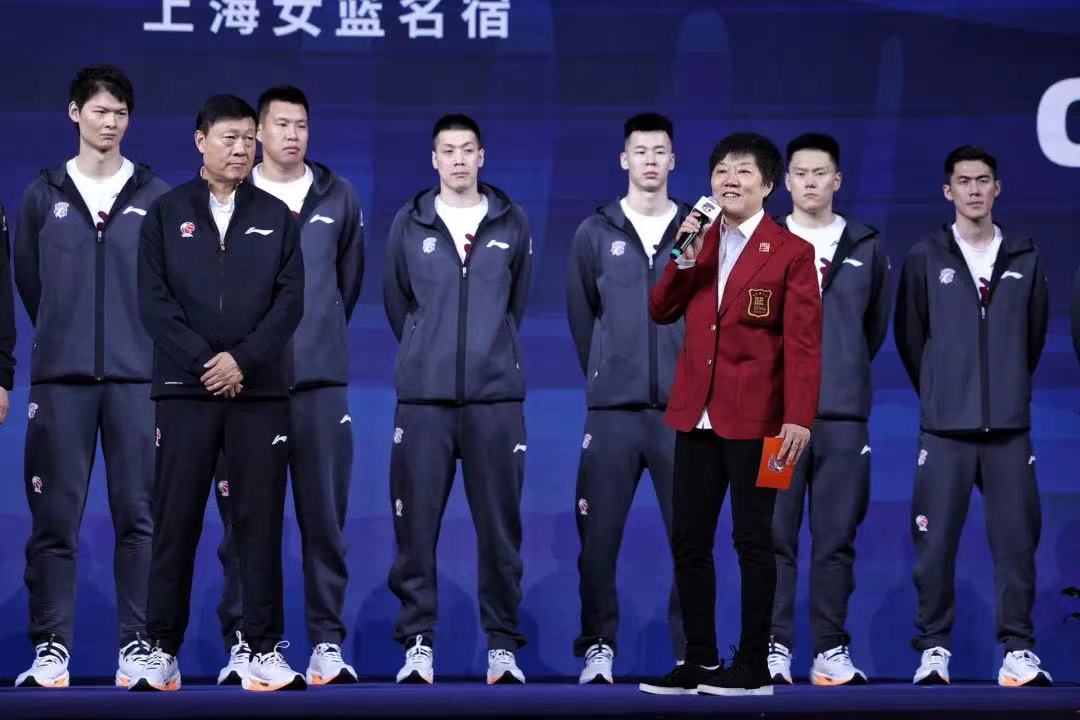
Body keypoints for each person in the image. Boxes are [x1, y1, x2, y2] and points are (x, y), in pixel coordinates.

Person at [639, 132, 821, 697]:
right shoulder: (699, 238)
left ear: (768, 185)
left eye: (742, 171)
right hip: (696, 417)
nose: (729, 180)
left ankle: (755, 666)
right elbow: (660, 308)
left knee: (755, 540)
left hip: (764, 424)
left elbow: (804, 345)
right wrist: (684, 253)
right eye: (720, 170)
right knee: (689, 539)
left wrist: (799, 418)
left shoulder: (791, 252)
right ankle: (699, 660)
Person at [133, 94, 305, 692]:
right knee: (175, 523)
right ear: (200, 140)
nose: (240, 148)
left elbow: (290, 303)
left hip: (260, 394)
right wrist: (208, 363)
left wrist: (242, 361)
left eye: (248, 139)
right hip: (186, 391)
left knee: (260, 526)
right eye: (229, 138)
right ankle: (161, 649)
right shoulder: (166, 212)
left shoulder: (277, 215)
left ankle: (263, 649)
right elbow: (154, 303)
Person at [12, 65, 169, 688]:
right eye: (100, 111)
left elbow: (168, 290)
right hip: (61, 383)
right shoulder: (41, 195)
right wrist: (65, 335)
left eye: (121, 113)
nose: (111, 123)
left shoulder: (157, 197)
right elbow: (32, 283)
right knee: (54, 524)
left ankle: (137, 648)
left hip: (138, 383)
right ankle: (51, 649)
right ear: (74, 113)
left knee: (140, 520)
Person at [213, 85, 364, 687]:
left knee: (324, 522)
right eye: (280, 125)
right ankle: (246, 645)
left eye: (301, 124)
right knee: (245, 526)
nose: (292, 135)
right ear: (259, 132)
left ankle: (326, 642)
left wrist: (318, 338)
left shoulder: (338, 196)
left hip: (321, 387)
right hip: (250, 389)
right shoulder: (232, 196)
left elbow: (346, 285)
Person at [895, 145, 1052, 687]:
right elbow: (911, 339)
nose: (974, 190)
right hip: (945, 431)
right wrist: (944, 391)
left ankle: (1018, 651)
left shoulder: (1025, 256)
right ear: (948, 191)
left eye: (983, 180)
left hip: (1009, 431)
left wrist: (1004, 388)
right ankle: (934, 650)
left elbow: (1031, 339)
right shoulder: (924, 256)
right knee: (934, 548)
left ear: (997, 188)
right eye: (964, 181)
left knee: (1017, 547)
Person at [383, 113, 532, 685]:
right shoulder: (409, 221)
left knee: (500, 532)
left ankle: (502, 647)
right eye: (448, 150)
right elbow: (399, 303)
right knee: (415, 531)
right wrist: (427, 351)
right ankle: (418, 644)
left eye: (468, 149)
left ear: (482, 156)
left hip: (496, 401)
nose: (459, 160)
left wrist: (490, 351)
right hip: (424, 401)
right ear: (434, 159)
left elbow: (514, 304)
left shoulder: (511, 221)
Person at [566, 112, 690, 684]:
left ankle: (692, 650)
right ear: (624, 160)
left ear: (673, 160)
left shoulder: (699, 230)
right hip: (612, 413)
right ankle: (598, 646)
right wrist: (607, 371)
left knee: (690, 540)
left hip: (681, 412)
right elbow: (582, 317)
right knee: (597, 540)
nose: (649, 161)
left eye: (659, 151)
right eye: (640, 151)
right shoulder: (595, 232)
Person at [768, 133, 890, 686]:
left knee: (836, 538)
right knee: (773, 537)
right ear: (786, 181)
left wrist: (842, 371)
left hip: (843, 418)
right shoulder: (762, 243)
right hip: (777, 422)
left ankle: (829, 649)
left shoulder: (866, 245)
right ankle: (772, 645)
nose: (811, 182)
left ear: (836, 180)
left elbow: (874, 329)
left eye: (821, 173)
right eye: (801, 173)